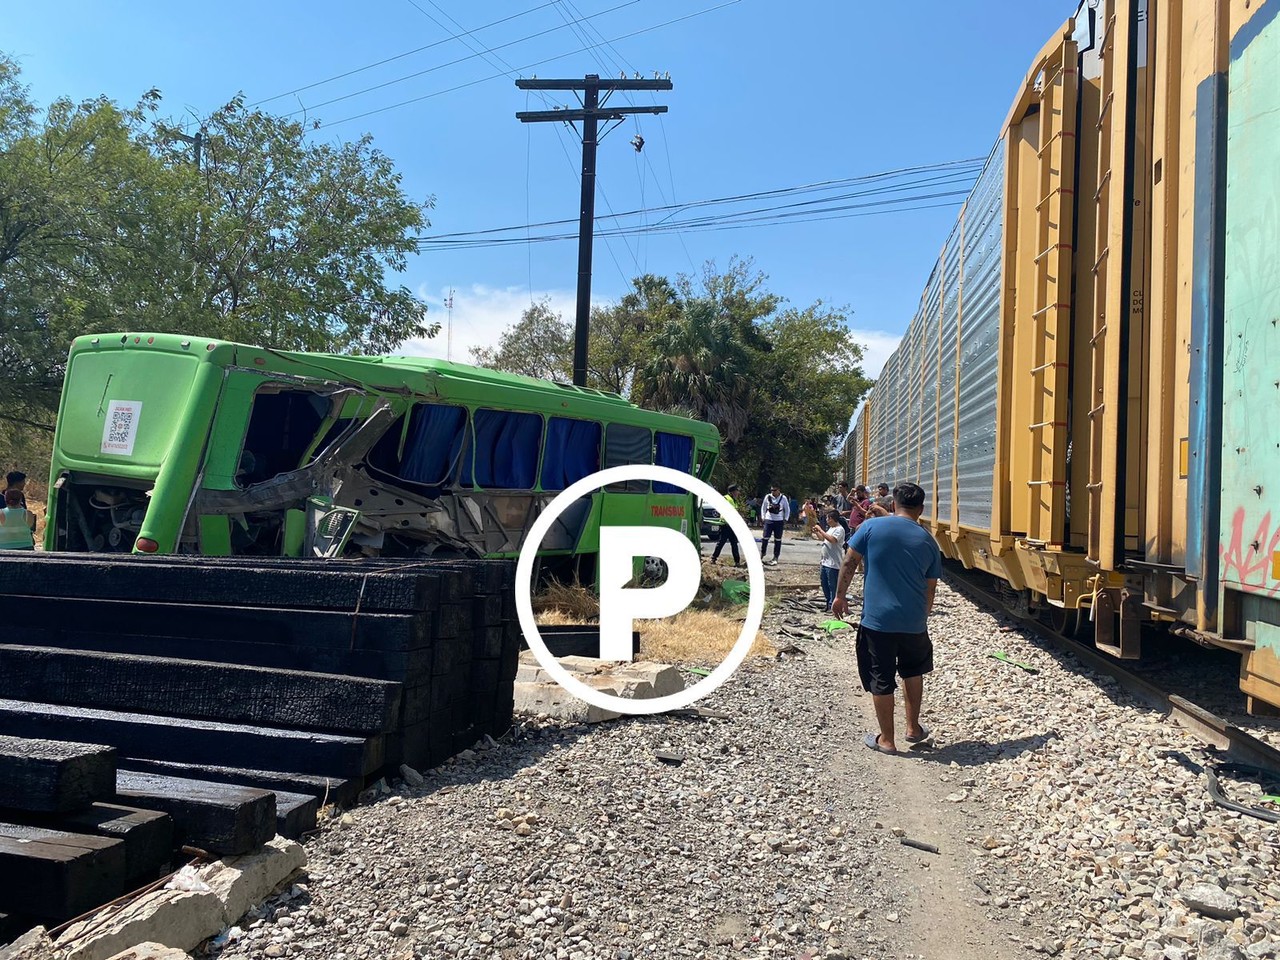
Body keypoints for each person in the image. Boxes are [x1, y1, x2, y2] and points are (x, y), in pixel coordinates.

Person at [833, 482, 941, 755]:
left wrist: (840, 596)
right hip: (913, 622)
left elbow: (849, 562)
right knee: (913, 671)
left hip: (878, 622)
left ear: (893, 504)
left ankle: (887, 741)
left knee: (881, 676)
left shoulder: (871, 528)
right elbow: (931, 588)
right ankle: (913, 728)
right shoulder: (929, 540)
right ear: (921, 509)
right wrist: (922, 616)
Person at [812, 507, 849, 612]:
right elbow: (823, 538)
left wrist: (820, 530)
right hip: (825, 561)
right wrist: (817, 532)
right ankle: (827, 603)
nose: (827, 520)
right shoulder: (831, 529)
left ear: (832, 519)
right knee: (824, 584)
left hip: (833, 563)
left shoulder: (839, 529)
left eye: (828, 518)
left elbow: (832, 540)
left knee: (832, 585)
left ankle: (833, 605)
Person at [710, 483, 743, 566]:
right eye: (736, 491)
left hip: (732, 525)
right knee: (721, 542)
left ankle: (737, 562)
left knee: (734, 543)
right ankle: (713, 558)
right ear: (732, 492)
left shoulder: (733, 500)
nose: (738, 493)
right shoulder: (726, 498)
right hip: (726, 525)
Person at [760, 484, 790, 565]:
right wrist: (763, 517)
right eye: (772, 490)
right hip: (769, 519)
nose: (773, 492)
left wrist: (786, 519)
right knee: (765, 537)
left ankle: (776, 556)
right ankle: (762, 553)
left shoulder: (783, 498)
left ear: (779, 490)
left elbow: (787, 509)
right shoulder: (768, 497)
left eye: (775, 490)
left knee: (778, 539)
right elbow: (763, 507)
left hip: (779, 520)